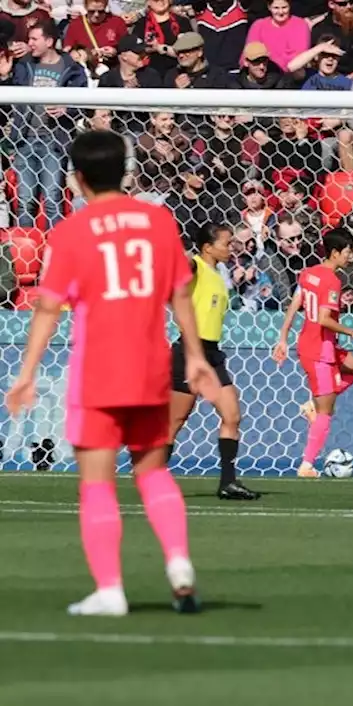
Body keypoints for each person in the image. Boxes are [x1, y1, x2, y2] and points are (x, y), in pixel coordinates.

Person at [4, 129, 216, 616]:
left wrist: (27, 371)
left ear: (76, 179)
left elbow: (48, 308)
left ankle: (110, 590)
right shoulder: (158, 221)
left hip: (98, 370)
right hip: (149, 365)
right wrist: (196, 355)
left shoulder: (73, 231)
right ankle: (179, 563)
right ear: (124, 170)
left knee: (97, 484)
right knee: (154, 471)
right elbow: (181, 294)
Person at [166, 225, 261, 501]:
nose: (231, 248)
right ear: (207, 247)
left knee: (232, 416)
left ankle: (228, 483)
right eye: (226, 243)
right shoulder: (195, 266)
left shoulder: (219, 275)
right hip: (189, 351)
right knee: (175, 421)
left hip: (212, 353)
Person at [271, 229, 353, 479]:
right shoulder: (332, 281)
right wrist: (351, 331)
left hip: (313, 345)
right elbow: (324, 319)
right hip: (319, 351)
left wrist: (283, 338)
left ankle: (313, 403)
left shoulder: (308, 274)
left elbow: (294, 305)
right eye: (347, 253)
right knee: (326, 412)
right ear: (335, 252)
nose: (350, 258)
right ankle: (306, 464)